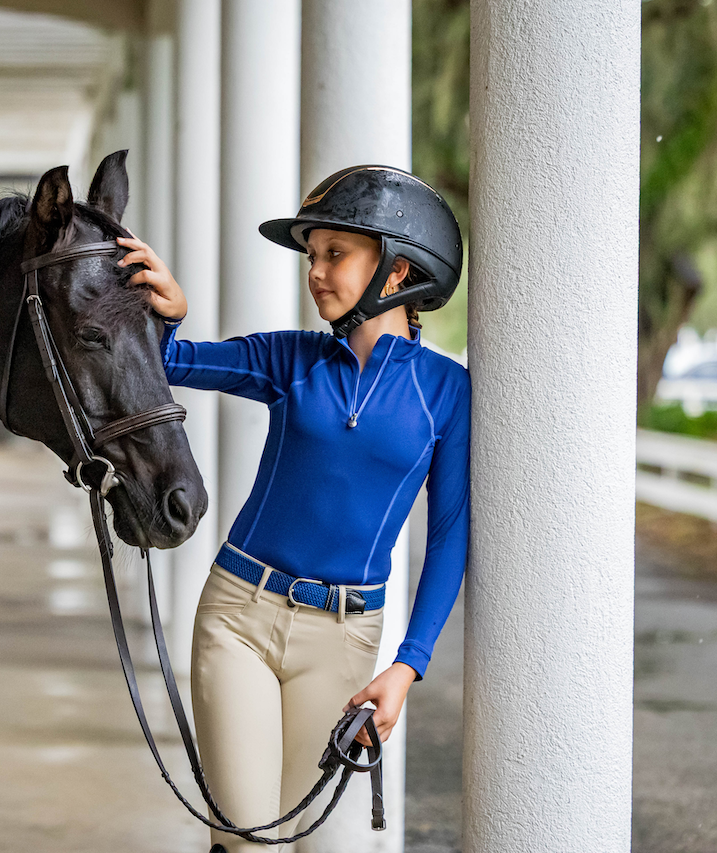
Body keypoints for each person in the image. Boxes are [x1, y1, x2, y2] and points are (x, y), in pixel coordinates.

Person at [115, 165, 470, 852]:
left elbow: (451, 534)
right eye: (314, 256)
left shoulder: (447, 393)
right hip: (240, 618)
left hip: (344, 636)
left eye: (335, 253)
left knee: (310, 837)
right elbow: (169, 364)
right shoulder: (290, 359)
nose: (316, 271)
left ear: (397, 270)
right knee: (246, 836)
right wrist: (169, 314)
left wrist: (407, 664)